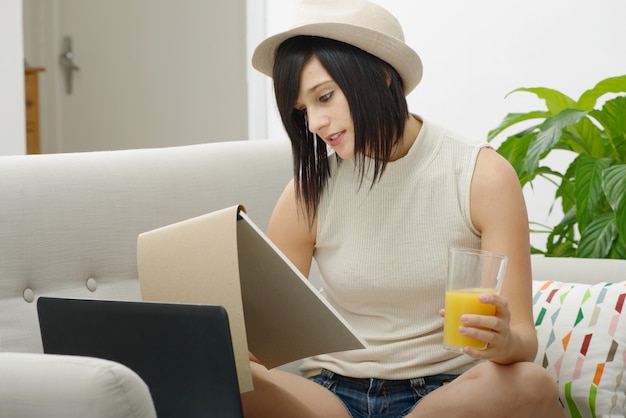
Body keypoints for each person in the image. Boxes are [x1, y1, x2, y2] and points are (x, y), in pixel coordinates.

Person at [245, 1, 565, 417]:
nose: (316, 124)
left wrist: (503, 340)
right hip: (332, 395)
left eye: (325, 97)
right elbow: (264, 342)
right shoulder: (308, 192)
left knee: (533, 384)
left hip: (444, 397)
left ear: (381, 74)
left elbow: (523, 338)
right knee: (228, 378)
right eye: (303, 110)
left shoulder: (481, 176)